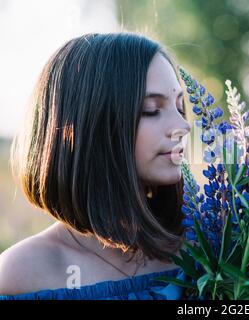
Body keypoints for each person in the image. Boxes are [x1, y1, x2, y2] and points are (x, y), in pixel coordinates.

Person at [0, 32, 191, 300]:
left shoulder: (203, 247)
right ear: (93, 127)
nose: (182, 126)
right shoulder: (23, 273)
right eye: (151, 109)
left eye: (180, 108)